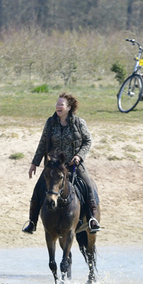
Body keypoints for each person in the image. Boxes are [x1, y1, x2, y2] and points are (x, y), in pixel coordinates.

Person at [22, 92, 101, 234]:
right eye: (57, 104)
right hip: (54, 166)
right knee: (37, 191)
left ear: (69, 107)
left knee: (88, 187)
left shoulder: (79, 123)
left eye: (61, 104)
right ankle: (32, 222)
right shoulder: (50, 123)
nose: (58, 106)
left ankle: (92, 219)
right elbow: (42, 144)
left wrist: (79, 156)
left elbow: (88, 141)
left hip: (74, 164)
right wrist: (35, 163)